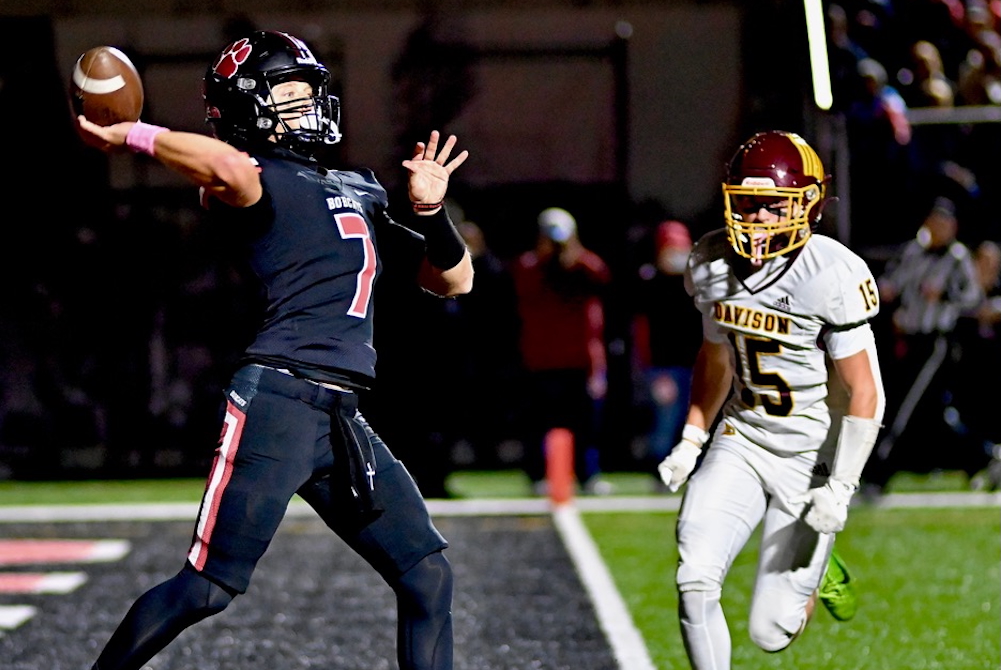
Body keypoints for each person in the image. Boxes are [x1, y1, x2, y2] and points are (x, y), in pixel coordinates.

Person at [75, 30, 472, 670]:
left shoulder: (356, 186)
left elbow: (453, 280)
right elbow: (225, 166)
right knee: (206, 589)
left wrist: (430, 213)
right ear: (246, 107)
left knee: (427, 574)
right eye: (288, 92)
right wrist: (132, 132)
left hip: (340, 412)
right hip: (279, 402)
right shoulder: (250, 181)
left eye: (308, 90)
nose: (307, 103)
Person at [656, 130, 885, 669]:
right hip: (743, 437)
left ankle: (817, 570)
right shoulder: (712, 260)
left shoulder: (830, 271)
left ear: (808, 204)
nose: (756, 219)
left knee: (770, 632)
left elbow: (865, 389)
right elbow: (716, 359)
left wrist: (841, 489)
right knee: (693, 579)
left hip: (809, 455)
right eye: (748, 203)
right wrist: (692, 437)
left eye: (772, 205)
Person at [863, 197, 982, 492]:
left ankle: (878, 472)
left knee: (904, 406)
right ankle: (981, 458)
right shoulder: (913, 252)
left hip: (936, 343)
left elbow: (973, 298)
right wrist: (886, 291)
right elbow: (893, 282)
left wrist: (944, 293)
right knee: (930, 412)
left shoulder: (957, 257)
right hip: (906, 340)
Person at [509, 206, 612, 494]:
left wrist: (571, 253)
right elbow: (524, 280)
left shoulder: (583, 267)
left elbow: (601, 276)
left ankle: (588, 475)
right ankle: (537, 475)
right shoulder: (530, 267)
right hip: (541, 360)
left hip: (579, 360)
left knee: (586, 423)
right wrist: (547, 257)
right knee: (538, 423)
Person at [630, 220, 702, 488]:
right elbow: (643, 331)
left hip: (695, 365)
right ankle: (659, 472)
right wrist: (650, 369)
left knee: (693, 423)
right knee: (665, 421)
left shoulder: (695, 284)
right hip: (664, 367)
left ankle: (689, 471)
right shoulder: (649, 283)